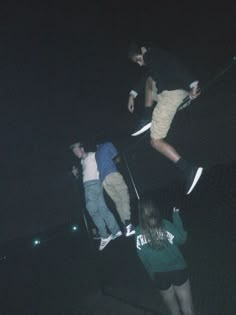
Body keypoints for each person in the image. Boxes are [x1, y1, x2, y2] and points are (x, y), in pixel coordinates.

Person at [127, 42, 203, 194]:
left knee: (155, 141)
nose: (141, 64)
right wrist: (132, 94)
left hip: (171, 95)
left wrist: (193, 83)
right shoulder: (154, 60)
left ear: (142, 50)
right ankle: (147, 117)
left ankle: (189, 170)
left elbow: (175, 63)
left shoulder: (152, 54)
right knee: (149, 81)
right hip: (170, 94)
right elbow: (147, 78)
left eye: (139, 60)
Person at [135, 192, 195, 315]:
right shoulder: (165, 224)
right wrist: (176, 216)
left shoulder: (137, 232)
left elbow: (143, 259)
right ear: (154, 209)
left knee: (174, 311)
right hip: (178, 270)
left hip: (159, 276)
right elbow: (182, 238)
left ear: (140, 213)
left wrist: (153, 276)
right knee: (187, 309)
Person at [70, 142, 122, 251]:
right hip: (95, 185)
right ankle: (116, 230)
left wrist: (113, 162)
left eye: (76, 150)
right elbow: (87, 174)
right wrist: (77, 175)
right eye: (74, 152)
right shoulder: (82, 161)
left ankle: (104, 235)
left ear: (82, 148)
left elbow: (107, 159)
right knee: (103, 209)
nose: (75, 153)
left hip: (92, 186)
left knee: (91, 209)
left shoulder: (93, 155)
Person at [95, 141, 135, 237]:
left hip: (104, 180)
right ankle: (128, 222)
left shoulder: (96, 154)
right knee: (124, 195)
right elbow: (116, 158)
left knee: (118, 201)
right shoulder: (108, 144)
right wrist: (119, 158)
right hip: (112, 174)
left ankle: (126, 226)